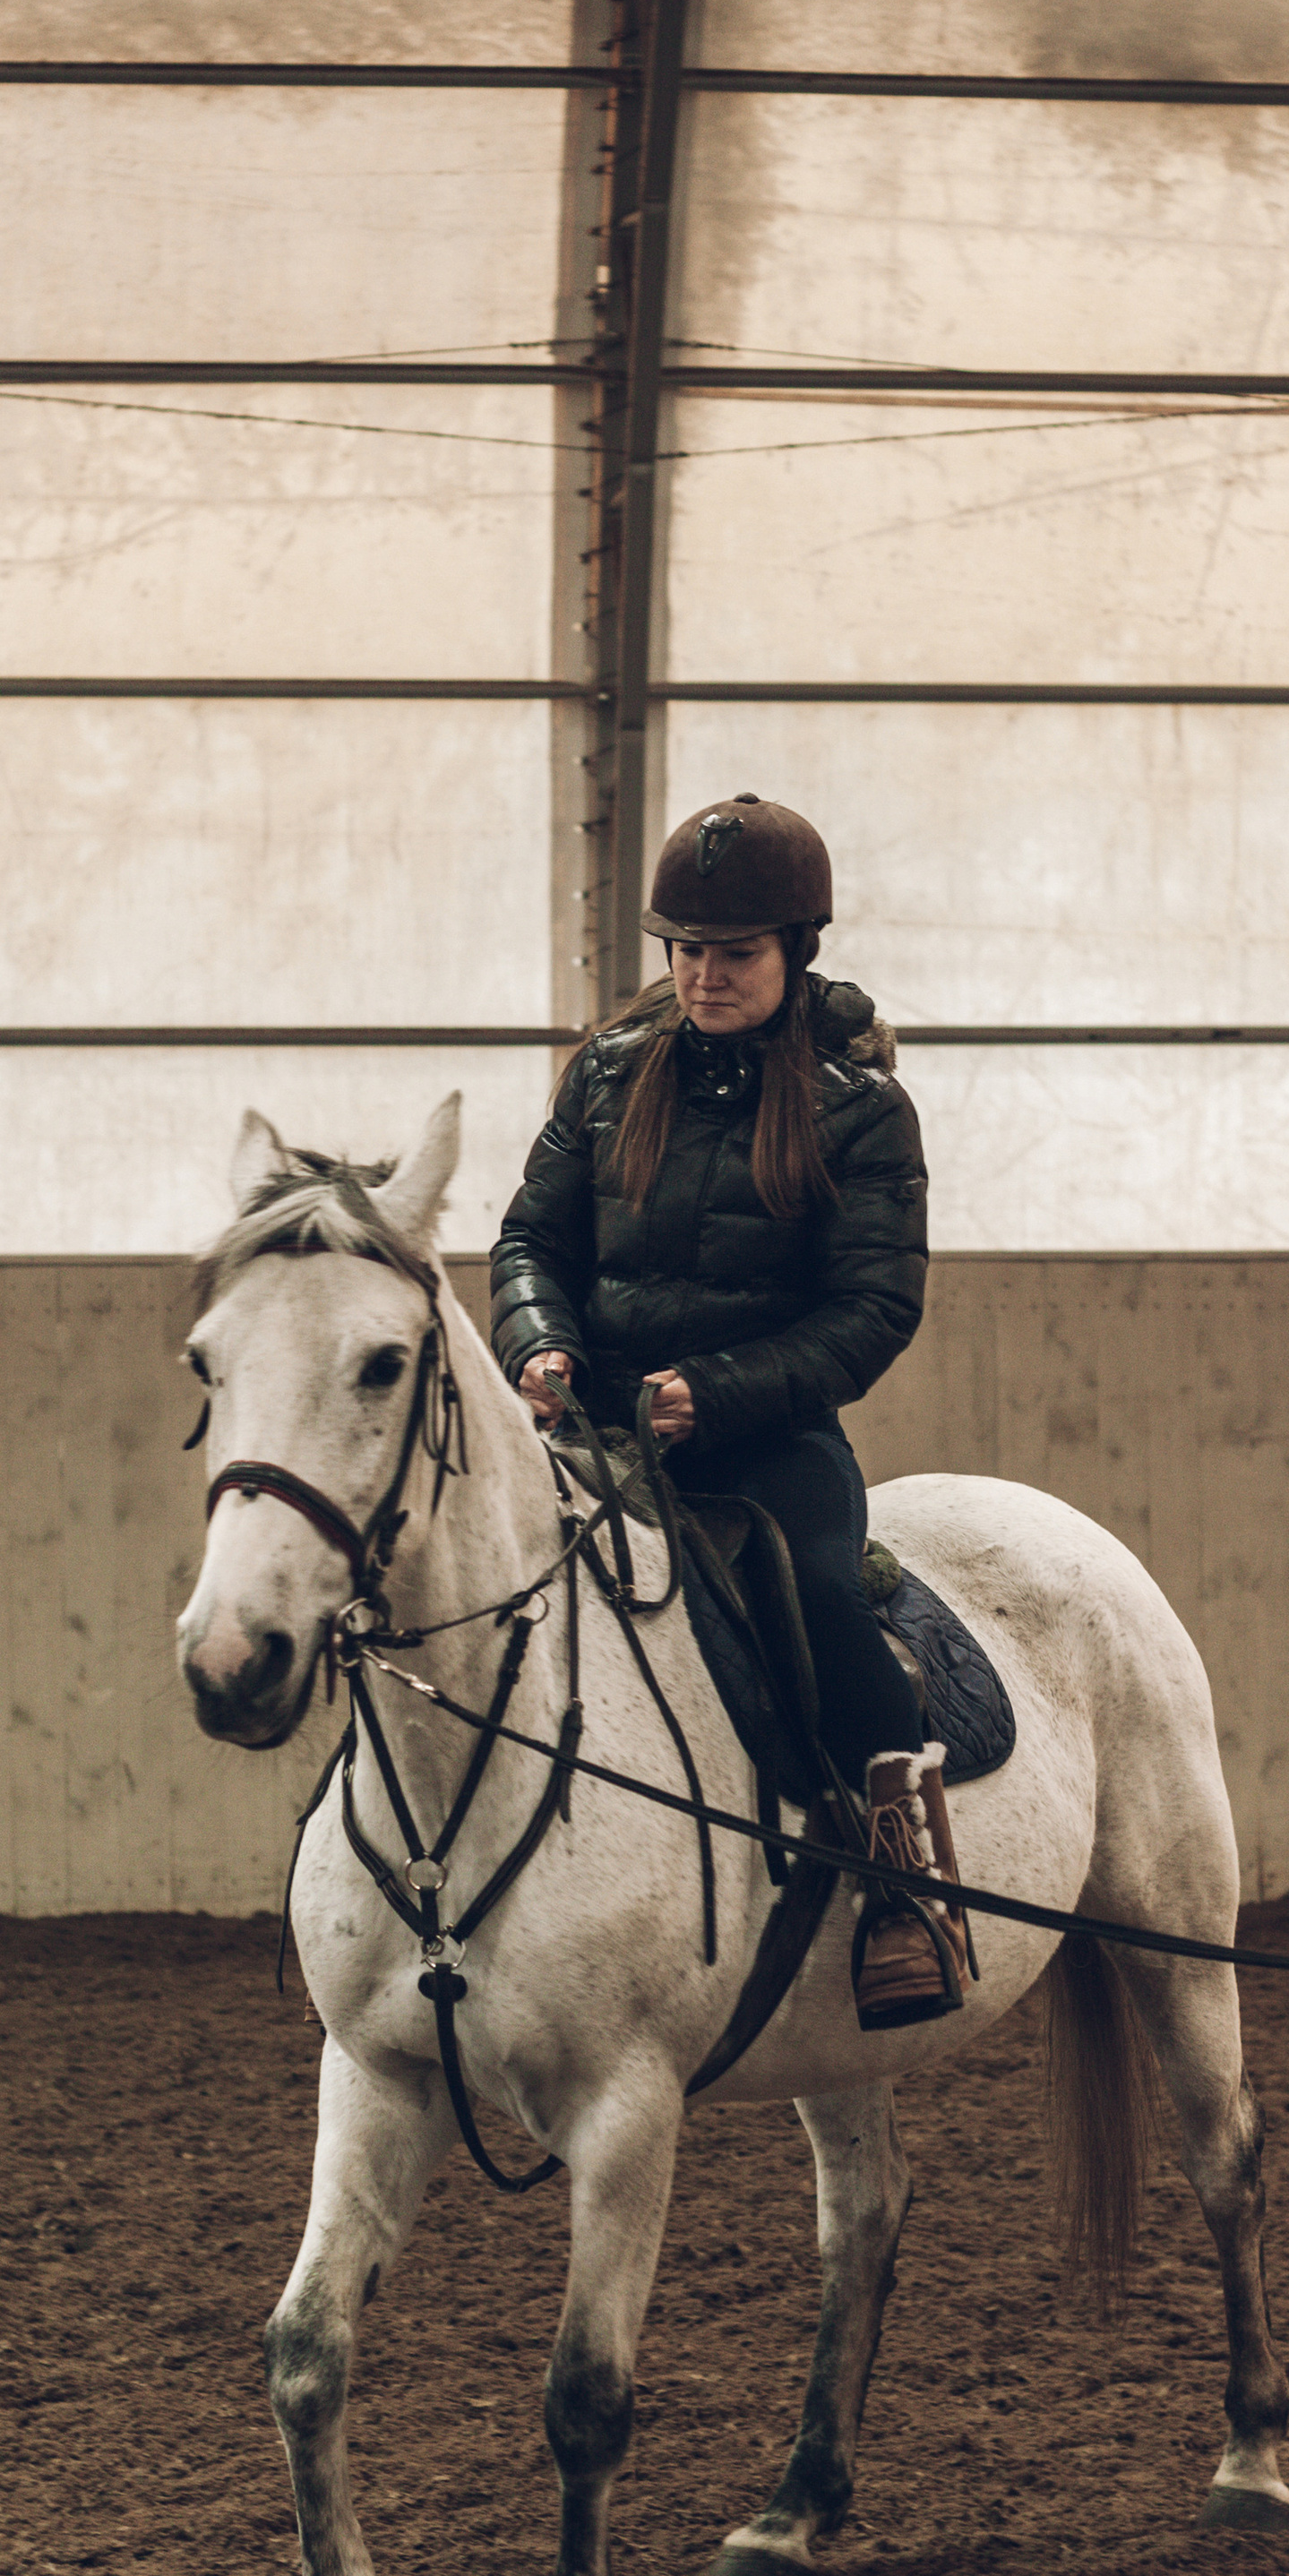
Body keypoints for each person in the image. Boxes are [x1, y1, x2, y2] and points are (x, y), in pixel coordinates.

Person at [487, 792, 967, 2030]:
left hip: (767, 1446)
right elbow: (532, 1237)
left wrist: (724, 1390)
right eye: (687, 950)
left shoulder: (860, 1111)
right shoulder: (606, 1078)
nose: (704, 974)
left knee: (818, 1596)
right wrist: (538, 1343)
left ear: (794, 951)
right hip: (592, 1435)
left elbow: (873, 1311)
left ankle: (906, 1889)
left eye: (733, 953)